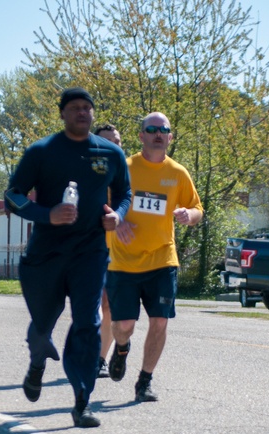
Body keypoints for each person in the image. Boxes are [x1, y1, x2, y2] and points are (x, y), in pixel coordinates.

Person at [4, 87, 131, 428]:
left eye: (87, 108)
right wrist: (48, 215)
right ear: (62, 114)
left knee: (88, 323)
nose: (82, 113)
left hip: (90, 252)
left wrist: (117, 216)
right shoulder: (42, 151)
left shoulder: (110, 153)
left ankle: (81, 401)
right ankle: (37, 361)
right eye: (74, 108)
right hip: (46, 253)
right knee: (43, 323)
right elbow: (13, 196)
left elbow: (124, 193)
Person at [104, 113, 203, 402]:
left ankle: (144, 381)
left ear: (171, 137)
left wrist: (189, 215)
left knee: (160, 321)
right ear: (141, 136)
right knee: (124, 326)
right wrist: (118, 220)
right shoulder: (125, 167)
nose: (158, 134)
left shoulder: (178, 173)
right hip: (124, 261)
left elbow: (197, 209)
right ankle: (121, 349)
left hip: (162, 260)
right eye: (152, 129)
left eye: (164, 130)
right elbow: (101, 199)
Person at [93, 123, 123, 379]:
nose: (113, 146)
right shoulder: (87, 174)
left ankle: (105, 356)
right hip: (92, 251)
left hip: (124, 254)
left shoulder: (130, 173)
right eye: (106, 142)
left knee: (112, 309)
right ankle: (97, 356)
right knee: (97, 307)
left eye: (117, 141)